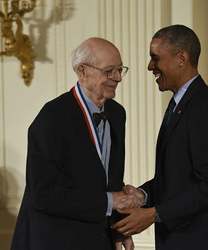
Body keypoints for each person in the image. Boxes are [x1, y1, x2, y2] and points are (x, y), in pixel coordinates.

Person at [113, 24, 208, 250]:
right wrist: (142, 195)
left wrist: (153, 214)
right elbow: (177, 179)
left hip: (200, 242)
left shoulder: (205, 108)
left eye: (155, 58)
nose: (150, 66)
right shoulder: (181, 104)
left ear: (181, 58)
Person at [11, 38, 135, 250]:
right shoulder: (52, 117)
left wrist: (117, 230)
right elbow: (43, 194)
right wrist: (109, 202)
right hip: (54, 239)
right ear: (82, 71)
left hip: (97, 237)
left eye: (119, 70)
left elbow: (110, 182)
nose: (117, 78)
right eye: (109, 71)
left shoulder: (117, 114)